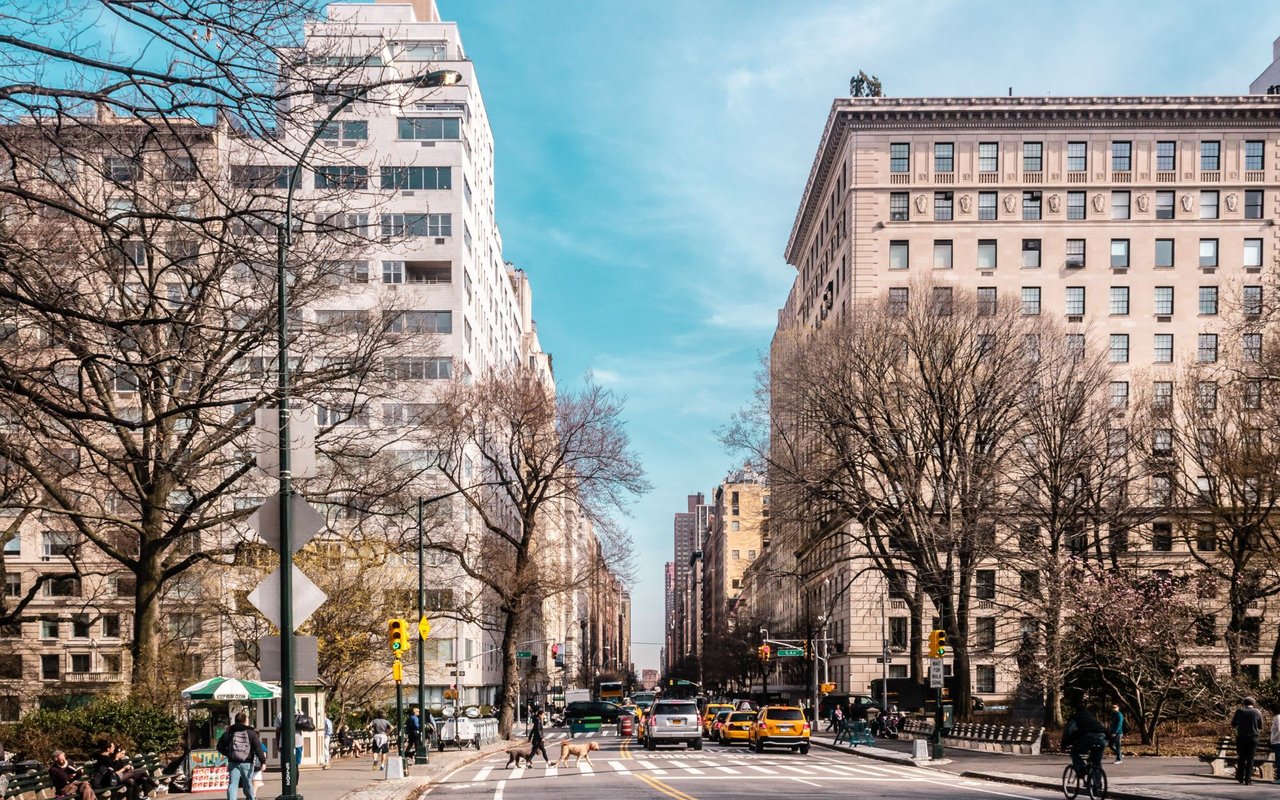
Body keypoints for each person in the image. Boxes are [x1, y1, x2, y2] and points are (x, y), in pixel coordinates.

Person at [217, 711, 266, 800]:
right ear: (245, 721)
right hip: (247, 762)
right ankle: (250, 798)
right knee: (247, 783)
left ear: (235, 720)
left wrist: (228, 754)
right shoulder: (251, 732)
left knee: (233, 784)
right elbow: (258, 748)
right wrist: (263, 761)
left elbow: (219, 746)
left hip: (233, 762)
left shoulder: (229, 732)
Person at [1061, 707, 1108, 779]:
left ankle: (1082, 769)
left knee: (1074, 753)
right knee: (1096, 762)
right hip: (1101, 738)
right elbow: (1104, 730)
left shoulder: (1076, 718)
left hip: (1088, 738)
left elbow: (1067, 731)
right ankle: (1097, 784)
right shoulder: (1093, 718)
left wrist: (1064, 744)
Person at [1231, 696, 1264, 785]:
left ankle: (1240, 777)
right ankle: (1248, 779)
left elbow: (1233, 723)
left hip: (1242, 737)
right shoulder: (1257, 712)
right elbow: (1260, 726)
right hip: (1253, 738)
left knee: (1241, 757)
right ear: (1253, 703)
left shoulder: (1240, 711)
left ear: (1243, 703)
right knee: (1250, 758)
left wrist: (1240, 724)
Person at [1270, 703, 1280, 785]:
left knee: (1279, 760)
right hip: (1277, 742)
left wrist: (1273, 739)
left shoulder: (1278, 717)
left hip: (1278, 742)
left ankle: (1279, 777)